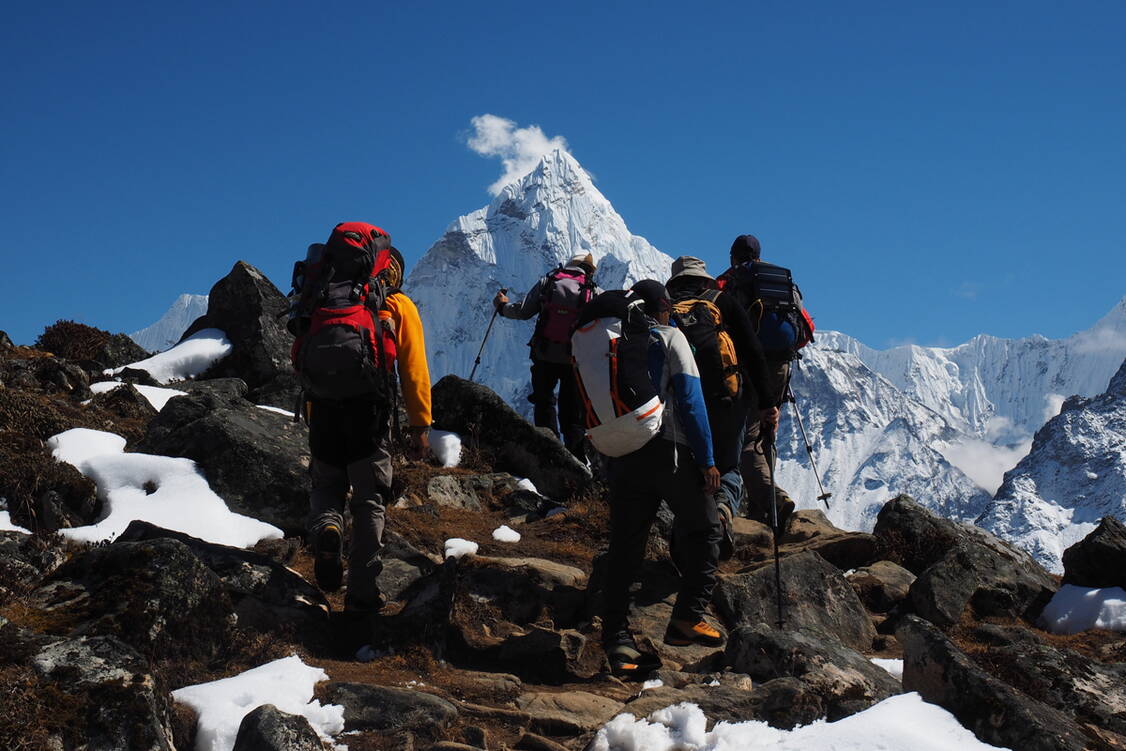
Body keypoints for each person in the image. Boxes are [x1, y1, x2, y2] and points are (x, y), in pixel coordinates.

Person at [589, 279, 725, 677]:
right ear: (663, 308)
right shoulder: (669, 339)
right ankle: (687, 618)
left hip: (624, 454)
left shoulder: (611, 343)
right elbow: (691, 401)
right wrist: (708, 460)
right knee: (706, 530)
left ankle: (618, 643)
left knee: (625, 548)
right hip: (671, 451)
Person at [297, 224, 432, 615]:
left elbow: (301, 354)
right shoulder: (397, 305)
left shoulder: (321, 296)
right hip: (369, 410)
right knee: (370, 498)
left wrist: (312, 408)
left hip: (323, 406)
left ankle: (326, 526)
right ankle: (361, 592)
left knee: (327, 484)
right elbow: (414, 370)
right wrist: (419, 426)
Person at [665, 256, 774, 559]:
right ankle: (723, 515)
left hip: (680, 408)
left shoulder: (664, 310)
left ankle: (687, 537)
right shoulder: (722, 302)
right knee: (728, 467)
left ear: (675, 283)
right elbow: (752, 352)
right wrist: (766, 404)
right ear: (705, 281)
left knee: (689, 470)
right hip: (726, 403)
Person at [718, 234, 800, 529]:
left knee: (747, 437)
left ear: (733, 256)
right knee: (769, 428)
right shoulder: (782, 279)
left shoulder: (731, 280)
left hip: (749, 365)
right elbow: (803, 325)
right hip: (781, 363)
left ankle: (771, 498)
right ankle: (763, 509)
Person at [492, 253, 599, 460]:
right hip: (574, 359)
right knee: (573, 415)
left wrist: (502, 307)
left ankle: (548, 453)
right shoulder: (592, 290)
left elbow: (523, 311)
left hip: (544, 353)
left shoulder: (549, 282)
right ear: (589, 270)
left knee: (543, 402)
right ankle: (577, 462)